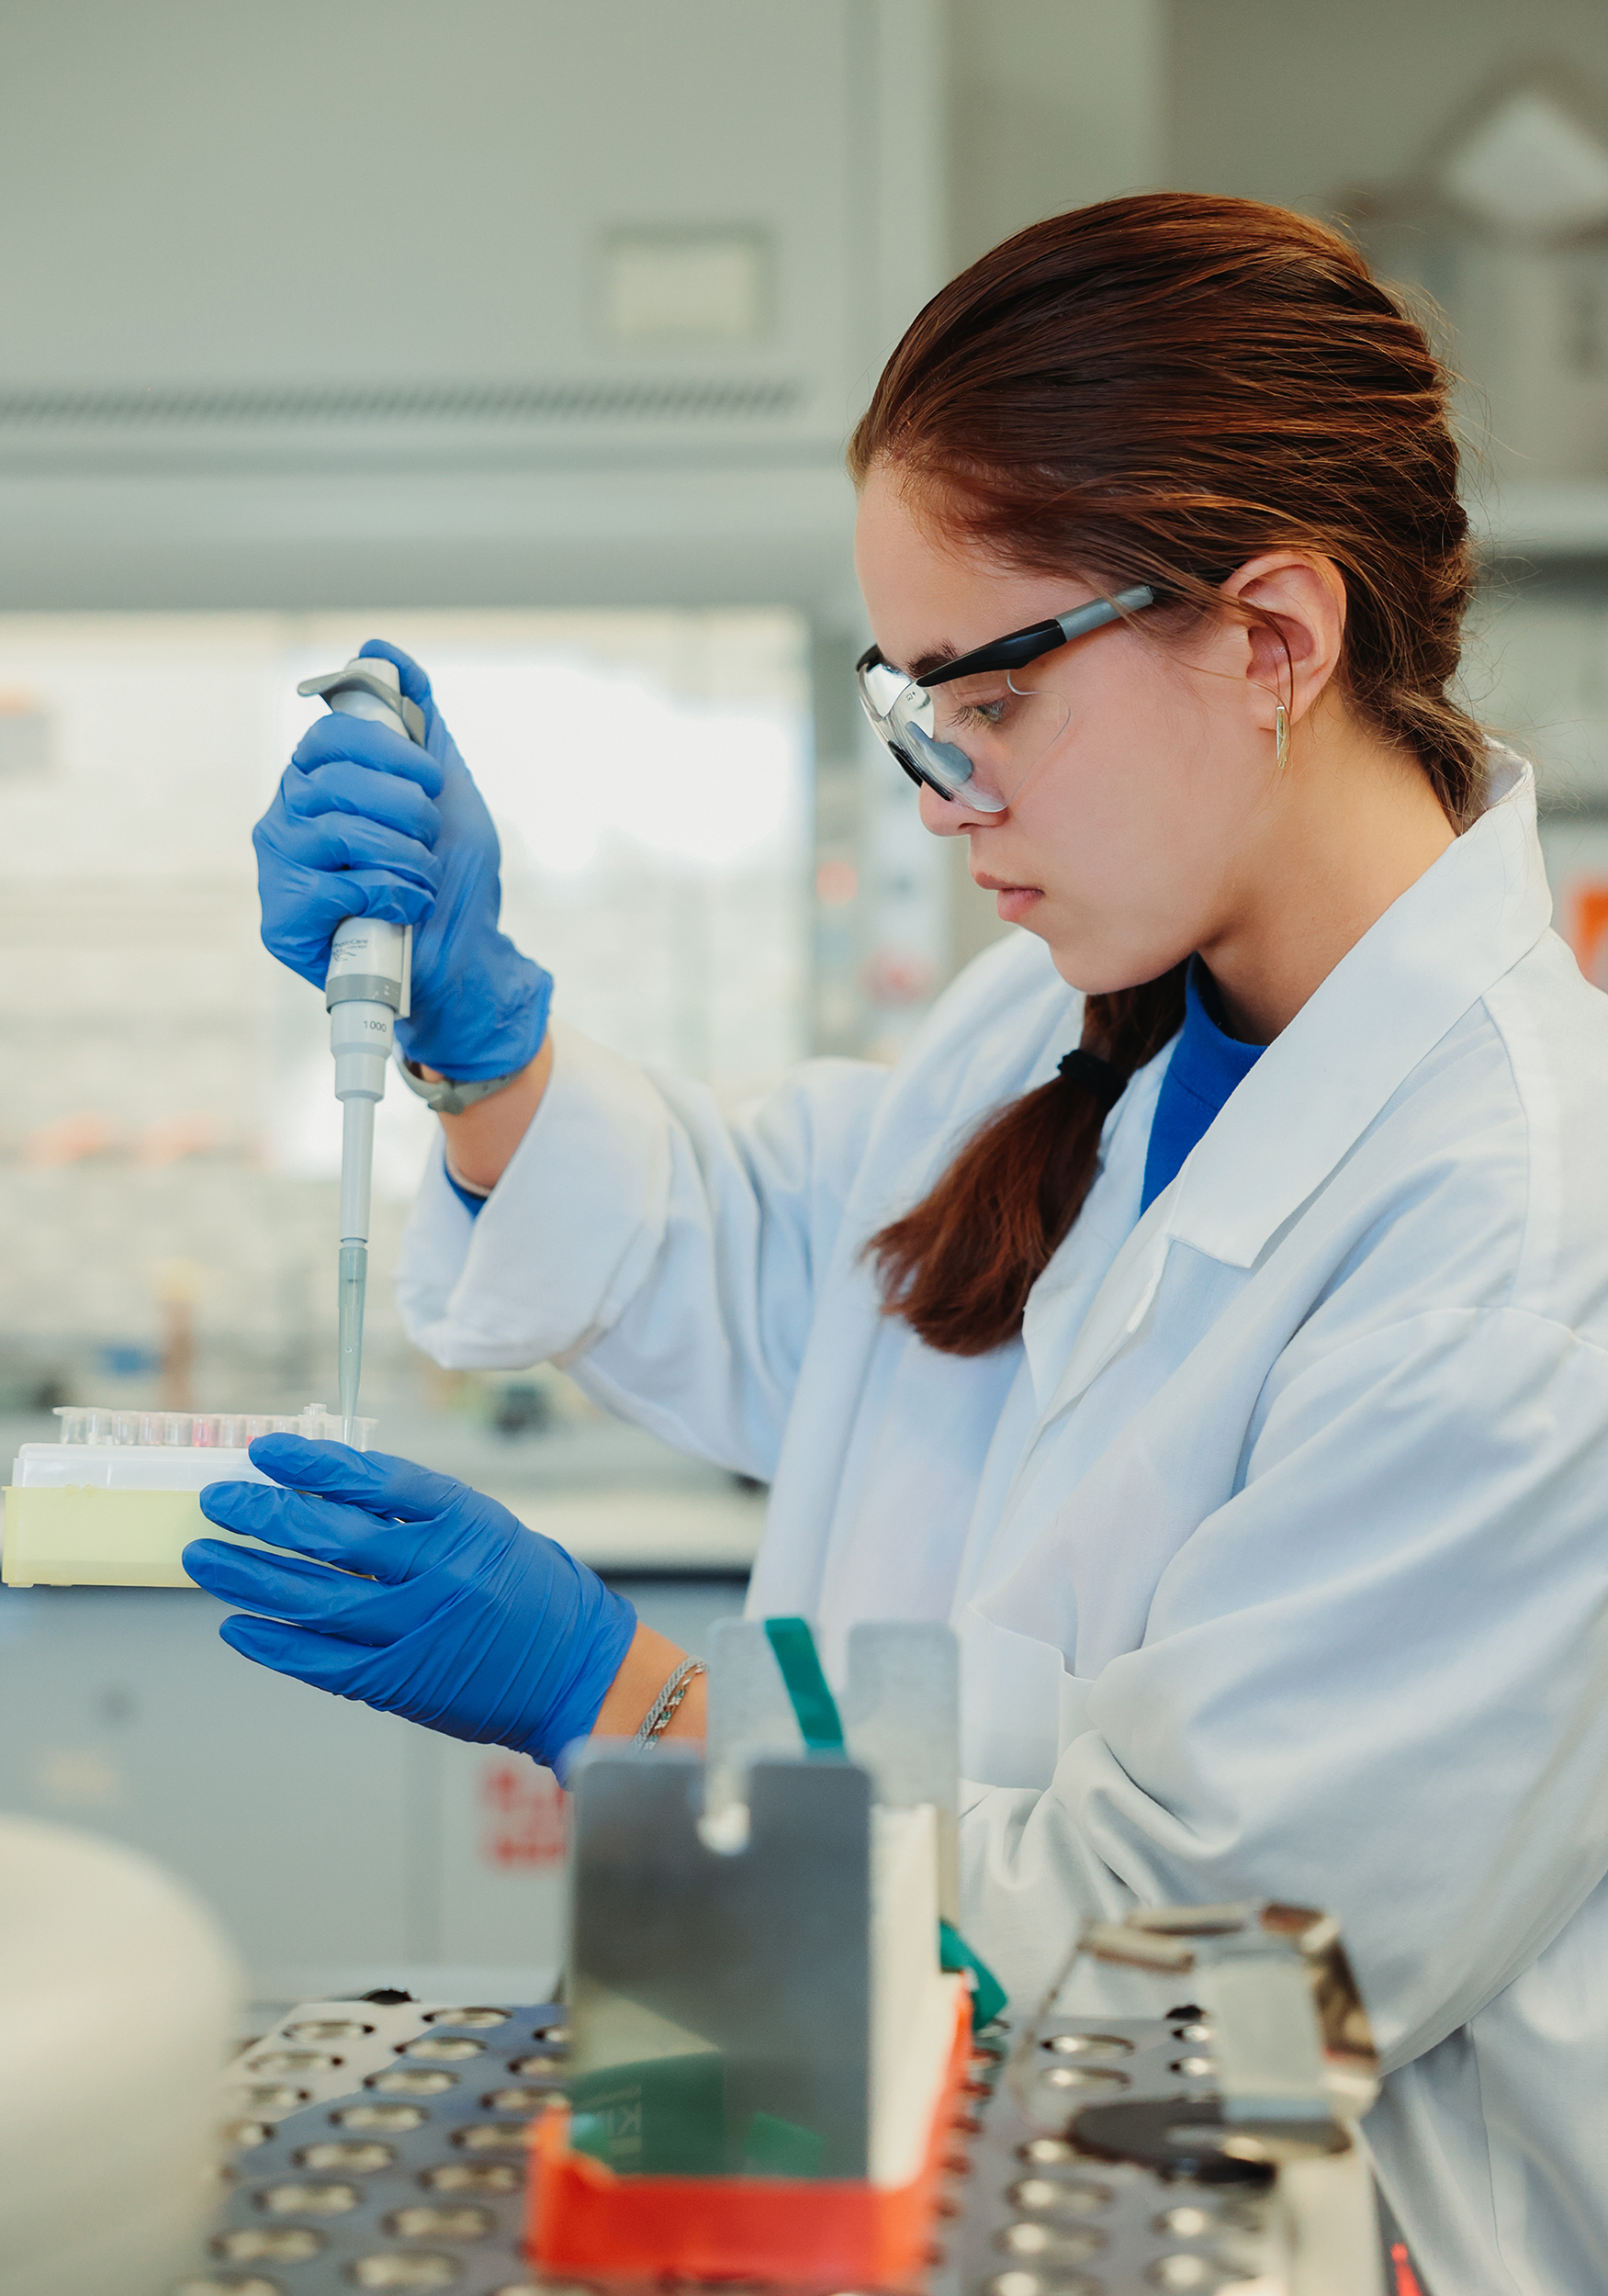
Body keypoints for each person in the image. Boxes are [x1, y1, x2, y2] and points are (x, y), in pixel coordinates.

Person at [191, 195, 1608, 2295]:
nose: (948, 791)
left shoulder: (1522, 1234)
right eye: (907, 704)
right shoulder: (1079, 1007)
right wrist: (487, 1038)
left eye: (990, 696)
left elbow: (1190, 1979)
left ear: (1275, 638)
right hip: (851, 2157)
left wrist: (629, 1706)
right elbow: (806, 1273)